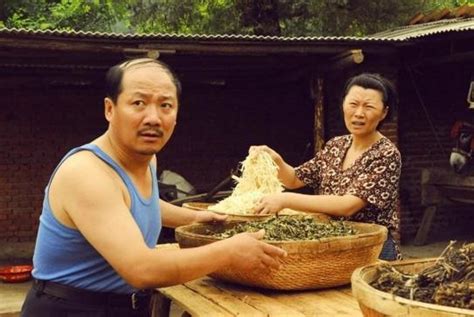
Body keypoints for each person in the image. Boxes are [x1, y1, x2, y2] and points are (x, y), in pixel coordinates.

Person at [21, 58, 287, 317]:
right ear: (109, 109)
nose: (153, 118)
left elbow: (136, 203)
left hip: (125, 305)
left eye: (165, 105)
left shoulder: (145, 160)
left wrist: (194, 217)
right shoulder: (87, 173)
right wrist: (229, 251)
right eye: (138, 103)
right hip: (71, 308)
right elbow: (142, 269)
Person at [251, 73, 402, 261]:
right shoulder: (336, 146)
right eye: (353, 104)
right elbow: (294, 178)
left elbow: (348, 206)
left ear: (384, 112)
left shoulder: (386, 154)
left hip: (371, 248)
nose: (359, 113)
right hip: (333, 242)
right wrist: (275, 161)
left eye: (369, 107)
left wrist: (285, 200)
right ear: (343, 105)